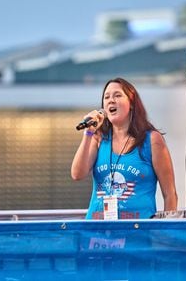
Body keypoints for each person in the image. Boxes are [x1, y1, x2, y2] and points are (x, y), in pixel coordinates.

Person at [71, 77, 178, 219]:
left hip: (137, 233)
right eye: (106, 97)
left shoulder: (152, 140)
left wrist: (167, 231)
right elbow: (77, 174)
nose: (111, 100)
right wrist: (89, 132)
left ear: (131, 102)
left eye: (117, 95)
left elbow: (170, 194)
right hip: (98, 234)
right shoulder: (98, 138)